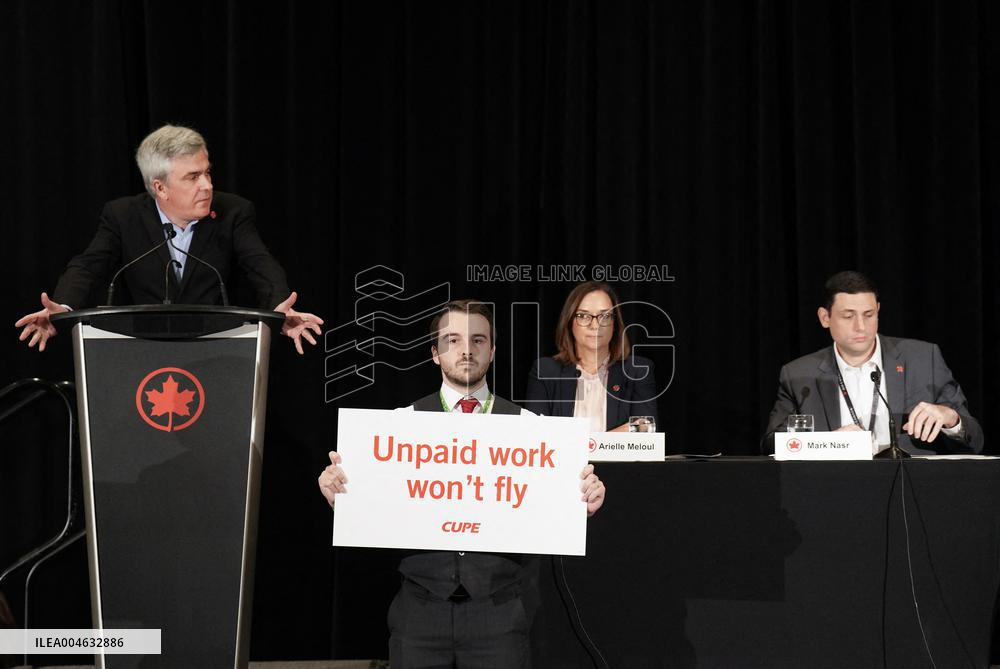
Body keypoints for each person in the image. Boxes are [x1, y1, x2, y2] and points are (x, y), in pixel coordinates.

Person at [318, 299, 606, 669]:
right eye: (452, 340)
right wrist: (342, 492)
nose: (466, 350)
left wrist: (582, 501)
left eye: (478, 340)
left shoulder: (531, 428)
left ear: (493, 351)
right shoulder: (398, 426)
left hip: (499, 616)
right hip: (419, 614)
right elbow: (371, 503)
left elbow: (555, 508)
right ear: (435, 353)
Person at [14, 124, 322, 354]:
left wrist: (280, 308)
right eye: (193, 177)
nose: (207, 186)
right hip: (143, 350)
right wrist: (63, 307)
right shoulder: (124, 216)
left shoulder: (233, 212)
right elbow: (88, 266)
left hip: (215, 349)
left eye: (207, 173)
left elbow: (260, 263)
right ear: (160, 188)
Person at [762, 271, 983, 456]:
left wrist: (950, 419)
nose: (861, 326)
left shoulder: (923, 359)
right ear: (825, 318)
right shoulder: (798, 374)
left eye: (868, 315)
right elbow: (771, 444)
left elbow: (975, 439)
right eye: (848, 316)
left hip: (910, 486)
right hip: (834, 485)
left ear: (878, 310)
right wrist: (829, 443)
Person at [524, 281, 658, 432]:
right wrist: (614, 435)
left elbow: (646, 428)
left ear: (615, 324)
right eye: (583, 316)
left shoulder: (637, 370)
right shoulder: (545, 371)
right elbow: (534, 433)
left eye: (605, 316)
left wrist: (586, 443)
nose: (595, 325)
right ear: (569, 322)